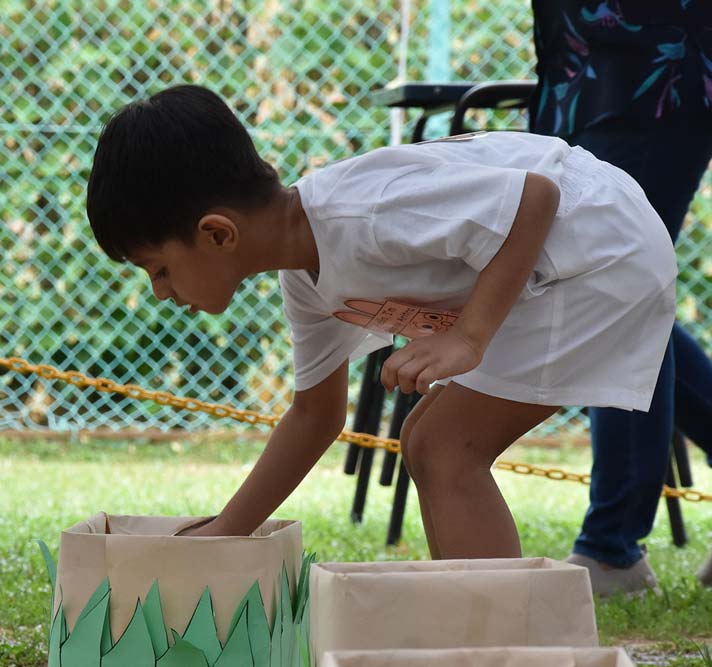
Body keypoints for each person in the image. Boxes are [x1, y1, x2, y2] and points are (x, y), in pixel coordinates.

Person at [86, 84, 676, 560]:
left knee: (444, 447)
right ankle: (475, 626)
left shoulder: (359, 212)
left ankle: (498, 641)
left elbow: (534, 197)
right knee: (426, 441)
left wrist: (469, 336)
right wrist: (223, 533)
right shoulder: (305, 279)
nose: (160, 292)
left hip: (600, 248)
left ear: (217, 234)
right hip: (573, 257)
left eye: (158, 269)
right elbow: (315, 416)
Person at [529, 0, 712, 594]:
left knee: (617, 297)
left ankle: (612, 548)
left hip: (649, 76)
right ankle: (612, 546)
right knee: (621, 299)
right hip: (592, 80)